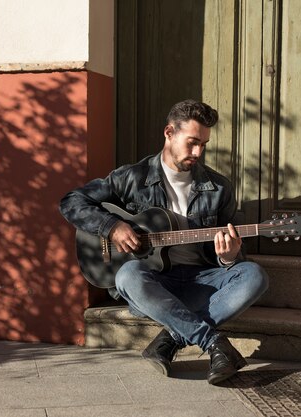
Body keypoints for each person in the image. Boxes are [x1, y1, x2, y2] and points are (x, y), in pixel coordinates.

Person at [59, 99, 269, 385]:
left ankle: (170, 338)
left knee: (254, 275)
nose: (198, 152)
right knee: (127, 274)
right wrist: (112, 226)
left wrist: (229, 257)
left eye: (204, 144)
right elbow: (72, 202)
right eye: (192, 142)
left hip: (202, 281)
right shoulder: (132, 178)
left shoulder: (219, 188)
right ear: (169, 132)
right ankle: (214, 344)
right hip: (154, 285)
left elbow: (229, 249)